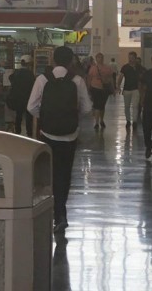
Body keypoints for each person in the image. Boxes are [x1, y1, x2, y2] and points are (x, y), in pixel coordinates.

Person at [27, 46, 91, 233]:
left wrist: (45, 117)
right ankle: (61, 213)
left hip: (47, 135)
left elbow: (31, 107)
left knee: (49, 174)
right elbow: (87, 108)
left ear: (53, 60)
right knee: (65, 174)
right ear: (71, 61)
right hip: (70, 136)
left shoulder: (42, 79)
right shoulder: (77, 80)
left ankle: (48, 210)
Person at [8, 55, 35, 136]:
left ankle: (18, 132)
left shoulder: (16, 72)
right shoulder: (30, 74)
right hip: (27, 98)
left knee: (18, 115)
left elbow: (10, 78)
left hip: (17, 98)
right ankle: (29, 133)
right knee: (28, 117)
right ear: (29, 63)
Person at [87, 53, 113, 130]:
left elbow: (111, 78)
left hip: (104, 89)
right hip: (95, 88)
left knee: (102, 105)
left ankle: (101, 120)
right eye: (98, 57)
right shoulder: (93, 68)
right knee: (97, 105)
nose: (100, 59)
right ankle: (97, 122)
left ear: (103, 58)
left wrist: (113, 88)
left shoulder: (107, 68)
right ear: (96, 59)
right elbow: (89, 78)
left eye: (101, 57)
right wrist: (88, 88)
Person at [119, 51, 143, 130]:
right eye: (129, 58)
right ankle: (128, 120)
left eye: (132, 58)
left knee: (135, 106)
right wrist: (118, 86)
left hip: (136, 89)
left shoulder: (139, 67)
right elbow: (121, 77)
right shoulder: (125, 67)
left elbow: (144, 76)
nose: (130, 59)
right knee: (127, 106)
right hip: (127, 89)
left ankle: (135, 121)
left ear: (135, 58)